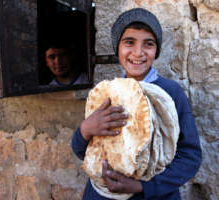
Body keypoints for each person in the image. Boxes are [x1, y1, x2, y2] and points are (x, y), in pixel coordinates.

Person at [71, 8, 202, 200]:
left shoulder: (169, 94)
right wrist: (85, 130)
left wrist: (142, 186)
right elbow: (83, 151)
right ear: (117, 48)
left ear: (156, 50)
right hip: (101, 194)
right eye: (129, 42)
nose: (138, 52)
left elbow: (190, 157)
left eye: (148, 44)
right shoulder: (108, 92)